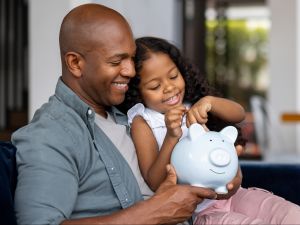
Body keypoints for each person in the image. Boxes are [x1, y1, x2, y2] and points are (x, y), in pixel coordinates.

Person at [11, 3, 218, 225]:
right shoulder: (52, 133)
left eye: (131, 58)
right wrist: (155, 212)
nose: (130, 71)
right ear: (75, 63)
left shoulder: (128, 112)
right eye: (116, 61)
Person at [118, 36, 300, 224]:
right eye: (155, 86)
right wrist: (172, 137)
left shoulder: (191, 107)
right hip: (202, 211)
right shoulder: (143, 121)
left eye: (173, 76)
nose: (169, 87)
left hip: (235, 196)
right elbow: (154, 181)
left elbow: (239, 114)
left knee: (290, 214)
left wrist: (210, 102)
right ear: (137, 92)